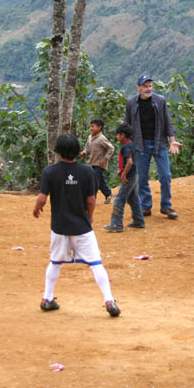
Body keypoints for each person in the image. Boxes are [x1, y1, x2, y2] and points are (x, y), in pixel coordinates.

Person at [32, 134, 120, 317]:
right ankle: (109, 300)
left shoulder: (50, 171)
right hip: (82, 227)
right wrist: (90, 217)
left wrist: (37, 208)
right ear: (77, 151)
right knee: (96, 263)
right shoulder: (87, 171)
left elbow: (42, 197)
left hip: (59, 227)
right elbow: (91, 200)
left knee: (55, 262)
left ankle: (47, 298)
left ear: (58, 152)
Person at [124, 74, 182, 219]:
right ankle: (145, 206)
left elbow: (168, 122)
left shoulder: (160, 101)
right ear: (138, 88)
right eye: (145, 86)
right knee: (142, 177)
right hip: (140, 145)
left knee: (166, 175)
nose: (148, 89)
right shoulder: (131, 103)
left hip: (159, 143)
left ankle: (166, 206)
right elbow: (127, 125)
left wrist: (172, 140)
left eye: (150, 86)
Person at [104, 124, 145, 233]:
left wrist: (123, 175)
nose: (117, 137)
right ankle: (139, 221)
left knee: (119, 200)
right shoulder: (131, 145)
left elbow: (130, 162)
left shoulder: (125, 147)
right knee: (133, 199)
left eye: (118, 135)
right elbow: (130, 161)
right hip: (134, 175)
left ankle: (116, 224)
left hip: (129, 177)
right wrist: (121, 171)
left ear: (122, 135)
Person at [79, 119, 115, 204]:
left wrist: (105, 158)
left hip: (99, 164)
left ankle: (91, 200)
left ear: (99, 128)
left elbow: (111, 148)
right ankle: (108, 193)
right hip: (91, 162)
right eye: (90, 126)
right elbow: (87, 149)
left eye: (93, 126)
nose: (91, 128)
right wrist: (83, 153)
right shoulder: (90, 137)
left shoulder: (102, 139)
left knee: (94, 181)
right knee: (100, 180)